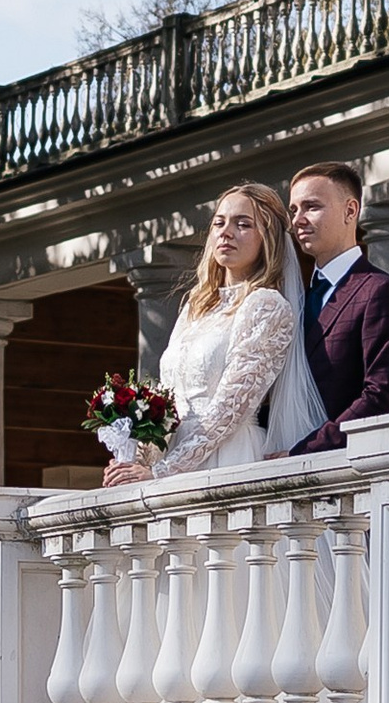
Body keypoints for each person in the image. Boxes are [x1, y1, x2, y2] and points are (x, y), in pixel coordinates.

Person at [102, 181, 325, 484]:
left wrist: (161, 472)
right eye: (219, 222)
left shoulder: (266, 306)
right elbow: (168, 406)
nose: (226, 232)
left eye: (243, 224)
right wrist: (135, 461)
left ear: (268, 238)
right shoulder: (197, 305)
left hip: (229, 455)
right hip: (176, 456)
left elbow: (230, 409)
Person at [283, 159, 389, 452]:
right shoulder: (294, 302)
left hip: (342, 471)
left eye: (311, 207)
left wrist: (304, 451)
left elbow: (381, 398)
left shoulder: (382, 293)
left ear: (350, 210)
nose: (297, 220)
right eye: (294, 210)